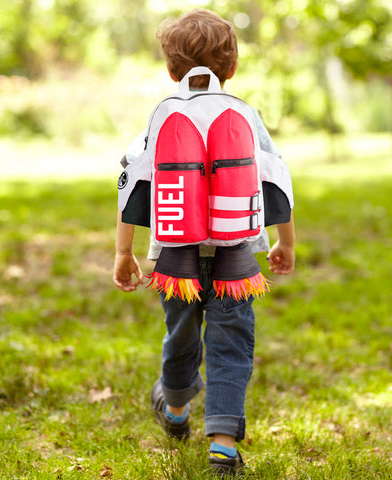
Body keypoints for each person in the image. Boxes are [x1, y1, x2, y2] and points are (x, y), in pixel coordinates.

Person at [113, 9, 295, 477]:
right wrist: (284, 243)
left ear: (171, 69)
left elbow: (132, 182)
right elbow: (277, 180)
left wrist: (123, 252)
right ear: (231, 68)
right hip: (237, 261)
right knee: (232, 345)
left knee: (181, 336)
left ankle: (175, 409)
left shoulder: (162, 115)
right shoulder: (244, 114)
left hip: (175, 261)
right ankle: (222, 444)